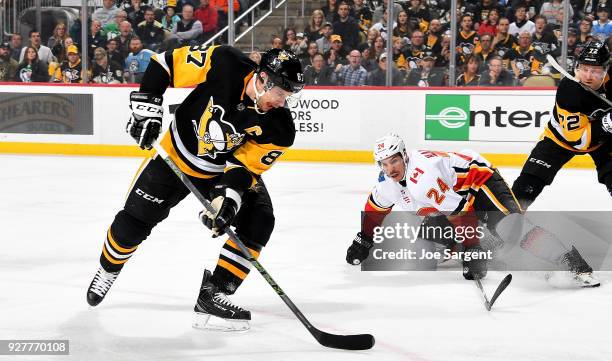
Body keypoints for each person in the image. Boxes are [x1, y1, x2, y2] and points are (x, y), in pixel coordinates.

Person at [85, 46, 304, 332]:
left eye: (289, 96)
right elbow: (163, 64)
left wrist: (229, 201)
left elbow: (245, 169)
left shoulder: (280, 129)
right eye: (281, 93)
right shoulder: (225, 62)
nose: (282, 102)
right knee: (133, 223)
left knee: (260, 220)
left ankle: (214, 295)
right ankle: (107, 270)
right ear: (263, 79)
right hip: (175, 154)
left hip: (219, 172)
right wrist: (146, 108)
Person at [346, 134, 600, 287]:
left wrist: (471, 246)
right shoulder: (386, 185)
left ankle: (573, 263)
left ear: (404, 156)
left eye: (394, 160)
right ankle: (489, 247)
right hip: (453, 198)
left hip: (478, 182)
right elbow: (375, 210)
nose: (390, 169)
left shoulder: (422, 178)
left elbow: (460, 210)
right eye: (384, 163)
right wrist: (364, 239)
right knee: (427, 249)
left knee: (511, 228)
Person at [512, 41, 612, 210]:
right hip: (560, 140)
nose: (588, 76)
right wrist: (608, 122)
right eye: (584, 69)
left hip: (605, 142)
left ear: (606, 69)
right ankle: (502, 223)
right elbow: (578, 140)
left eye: (595, 71)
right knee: (527, 186)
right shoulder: (569, 91)